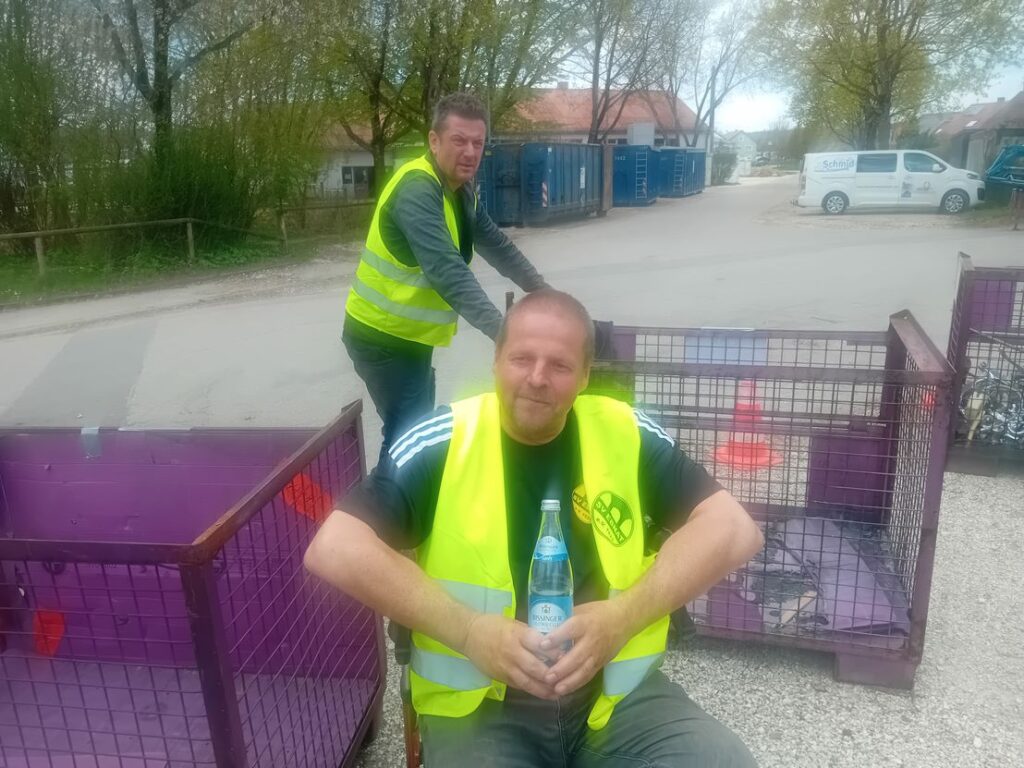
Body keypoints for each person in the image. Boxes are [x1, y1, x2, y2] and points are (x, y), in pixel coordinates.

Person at [307, 290, 763, 767]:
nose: (538, 378)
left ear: (585, 376)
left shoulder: (626, 432)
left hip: (612, 700)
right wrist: (470, 632)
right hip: (481, 709)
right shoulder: (444, 440)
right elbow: (335, 546)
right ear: (496, 361)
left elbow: (734, 528)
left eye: (560, 365)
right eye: (522, 359)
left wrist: (623, 618)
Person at [343, 92, 548, 463]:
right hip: (381, 337)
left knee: (415, 430)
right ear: (434, 141)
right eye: (459, 140)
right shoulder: (417, 190)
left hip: (410, 337)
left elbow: (497, 245)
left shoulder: (459, 190)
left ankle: (403, 492)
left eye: (478, 143)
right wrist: (506, 335)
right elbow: (446, 270)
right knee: (408, 436)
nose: (470, 152)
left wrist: (545, 293)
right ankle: (391, 496)